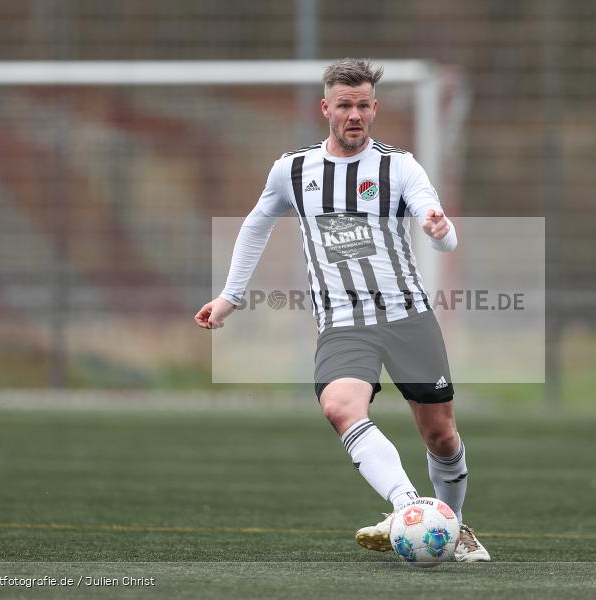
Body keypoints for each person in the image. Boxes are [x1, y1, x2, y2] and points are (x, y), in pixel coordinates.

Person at [194, 58, 489, 562]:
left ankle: (454, 526)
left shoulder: (400, 166)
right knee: (339, 407)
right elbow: (255, 224)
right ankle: (408, 507)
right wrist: (230, 296)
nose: (354, 115)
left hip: (406, 315)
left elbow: (440, 230)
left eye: (363, 106)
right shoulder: (292, 170)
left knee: (440, 434)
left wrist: (440, 232)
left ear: (374, 109)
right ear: (326, 108)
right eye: (345, 105)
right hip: (342, 321)